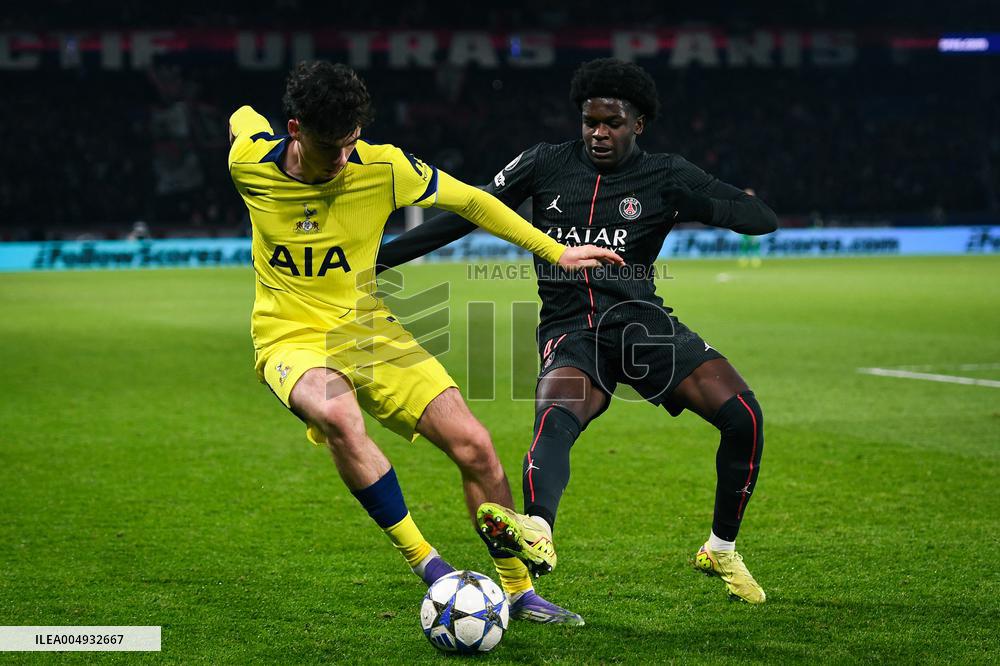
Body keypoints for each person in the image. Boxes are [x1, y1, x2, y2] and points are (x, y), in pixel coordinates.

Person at [227, 60, 623, 624]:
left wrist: (554, 251)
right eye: (329, 146)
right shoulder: (250, 164)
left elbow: (475, 201)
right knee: (338, 416)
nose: (343, 158)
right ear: (295, 130)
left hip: (367, 330)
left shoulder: (383, 168)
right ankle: (431, 568)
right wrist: (246, 118)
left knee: (476, 446)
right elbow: (241, 118)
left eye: (351, 142)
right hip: (287, 335)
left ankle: (518, 590)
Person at [377, 58, 778, 604]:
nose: (598, 133)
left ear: (639, 123)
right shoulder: (544, 163)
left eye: (612, 122)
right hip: (570, 330)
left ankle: (721, 548)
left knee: (743, 417)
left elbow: (760, 218)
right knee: (555, 415)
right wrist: (382, 257)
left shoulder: (666, 173)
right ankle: (537, 530)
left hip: (642, 324)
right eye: (589, 121)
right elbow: (470, 211)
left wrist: (704, 205)